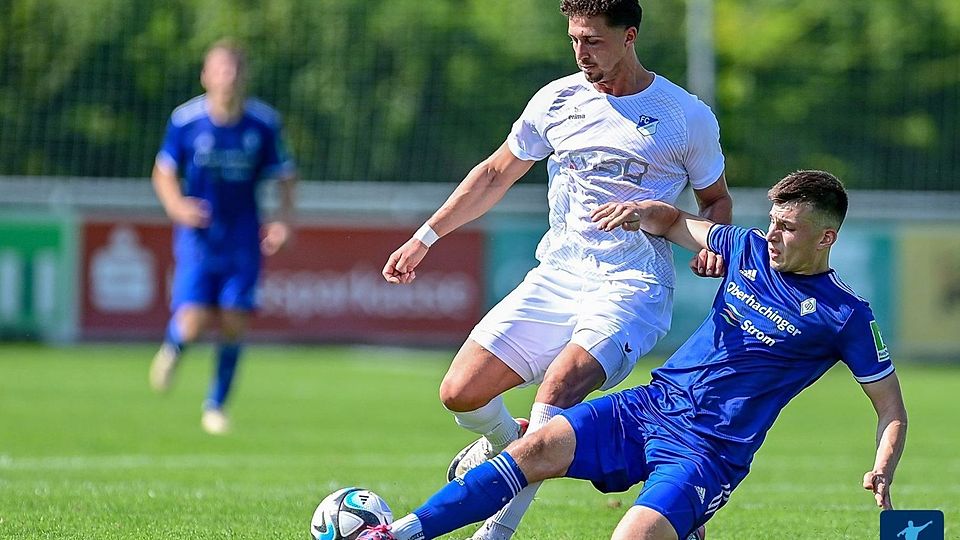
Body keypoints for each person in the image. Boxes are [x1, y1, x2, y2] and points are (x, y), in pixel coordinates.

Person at [360, 170, 908, 540]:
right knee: (535, 448)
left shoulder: (846, 316)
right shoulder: (745, 248)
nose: (772, 236)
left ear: (826, 238)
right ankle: (400, 533)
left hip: (709, 450)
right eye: (772, 222)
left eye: (788, 229)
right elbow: (673, 223)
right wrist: (641, 210)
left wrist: (882, 467)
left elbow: (891, 410)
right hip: (650, 405)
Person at [382, 1, 731, 537]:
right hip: (559, 275)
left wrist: (712, 245)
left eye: (592, 40)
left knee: (559, 388)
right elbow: (496, 173)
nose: (580, 52)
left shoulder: (685, 115)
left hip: (630, 286)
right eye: (574, 39)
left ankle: (496, 529)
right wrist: (425, 237)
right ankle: (512, 440)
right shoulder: (556, 99)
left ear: (629, 36)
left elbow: (716, 201)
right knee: (460, 392)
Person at [148, 40, 297, 435]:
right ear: (206, 76)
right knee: (194, 320)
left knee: (234, 323)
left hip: (243, 236)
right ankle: (175, 346)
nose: (228, 78)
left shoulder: (263, 123)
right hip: (199, 236)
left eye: (234, 70)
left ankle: (215, 406)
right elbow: (162, 172)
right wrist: (177, 206)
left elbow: (285, 175)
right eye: (220, 70)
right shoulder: (186, 120)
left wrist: (282, 221)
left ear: (243, 77)